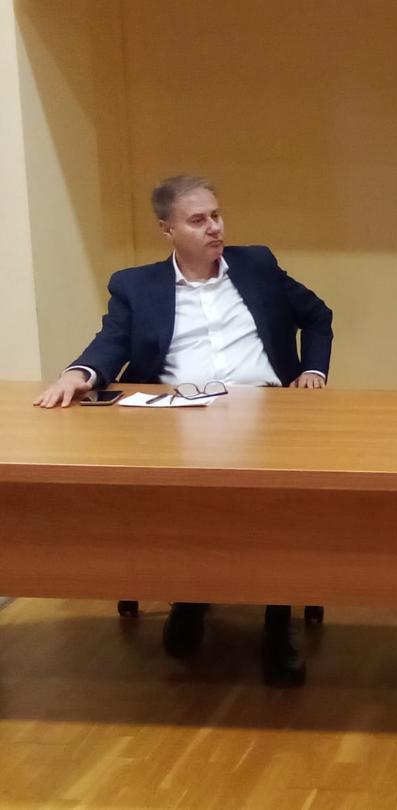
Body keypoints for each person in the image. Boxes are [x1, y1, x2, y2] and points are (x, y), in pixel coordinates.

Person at [34, 175, 333, 687]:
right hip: (177, 417)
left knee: (272, 510)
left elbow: (318, 316)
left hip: (267, 411)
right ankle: (189, 596)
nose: (214, 227)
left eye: (216, 215)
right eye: (198, 220)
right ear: (166, 229)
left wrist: (312, 370)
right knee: (181, 505)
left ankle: (277, 621)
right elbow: (112, 341)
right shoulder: (136, 285)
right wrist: (79, 373)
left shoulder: (257, 265)